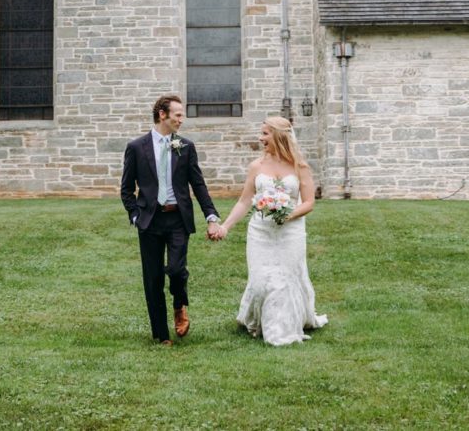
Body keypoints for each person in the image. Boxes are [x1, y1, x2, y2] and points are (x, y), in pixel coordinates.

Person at [212, 116, 328, 346]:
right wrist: (225, 226)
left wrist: (288, 215)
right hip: (260, 232)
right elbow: (245, 201)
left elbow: (308, 202)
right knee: (260, 279)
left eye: (265, 133)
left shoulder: (300, 167)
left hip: (291, 233)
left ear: (279, 136)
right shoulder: (257, 167)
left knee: (285, 279)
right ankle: (258, 318)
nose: (260, 138)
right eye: (261, 133)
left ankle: (280, 330)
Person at [120, 94, 222, 346]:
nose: (181, 119)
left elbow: (198, 184)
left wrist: (211, 216)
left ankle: (180, 304)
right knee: (152, 278)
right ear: (162, 115)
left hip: (178, 218)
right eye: (177, 114)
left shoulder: (185, 146)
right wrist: (135, 215)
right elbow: (126, 188)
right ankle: (162, 334)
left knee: (177, 269)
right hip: (150, 221)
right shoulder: (136, 147)